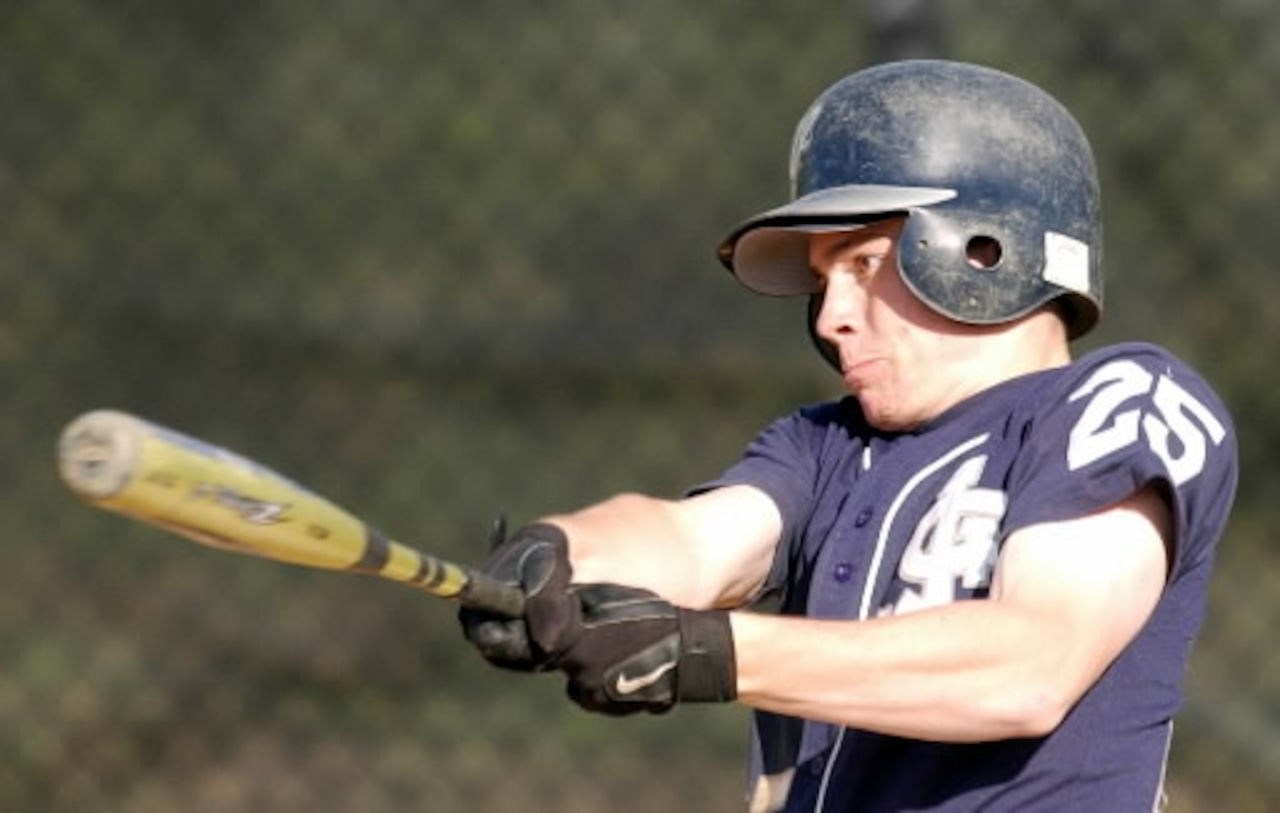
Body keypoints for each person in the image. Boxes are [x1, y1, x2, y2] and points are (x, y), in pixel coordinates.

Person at [458, 59, 1238, 812]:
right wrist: (562, 551)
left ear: (987, 251)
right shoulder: (824, 445)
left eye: (864, 264)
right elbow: (691, 543)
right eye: (824, 282)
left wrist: (716, 651)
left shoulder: (1121, 399)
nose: (830, 318)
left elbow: (1032, 662)